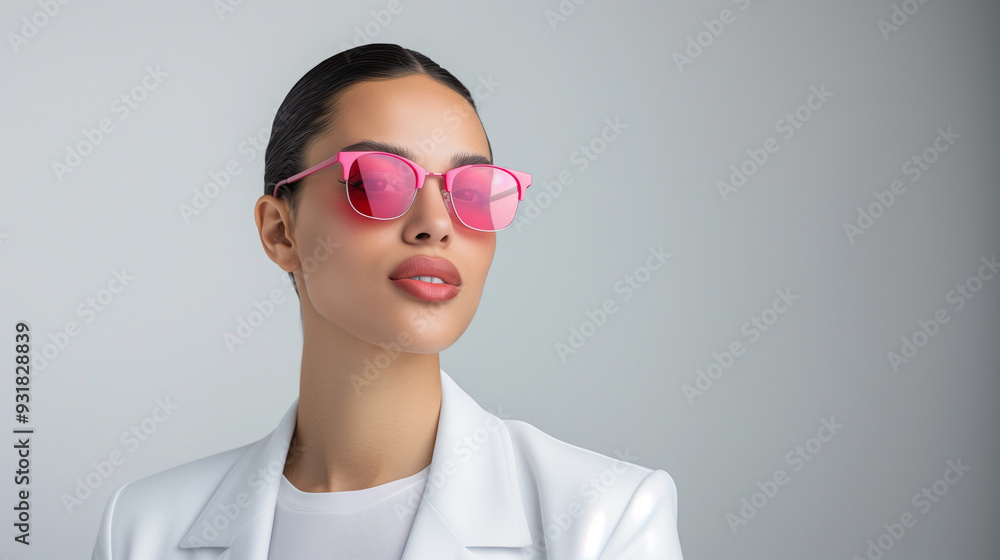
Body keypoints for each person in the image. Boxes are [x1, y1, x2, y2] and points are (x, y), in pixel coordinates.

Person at [91, 43, 684, 560]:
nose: (435, 224)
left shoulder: (604, 517)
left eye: (472, 192)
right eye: (378, 181)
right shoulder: (142, 530)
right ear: (280, 232)